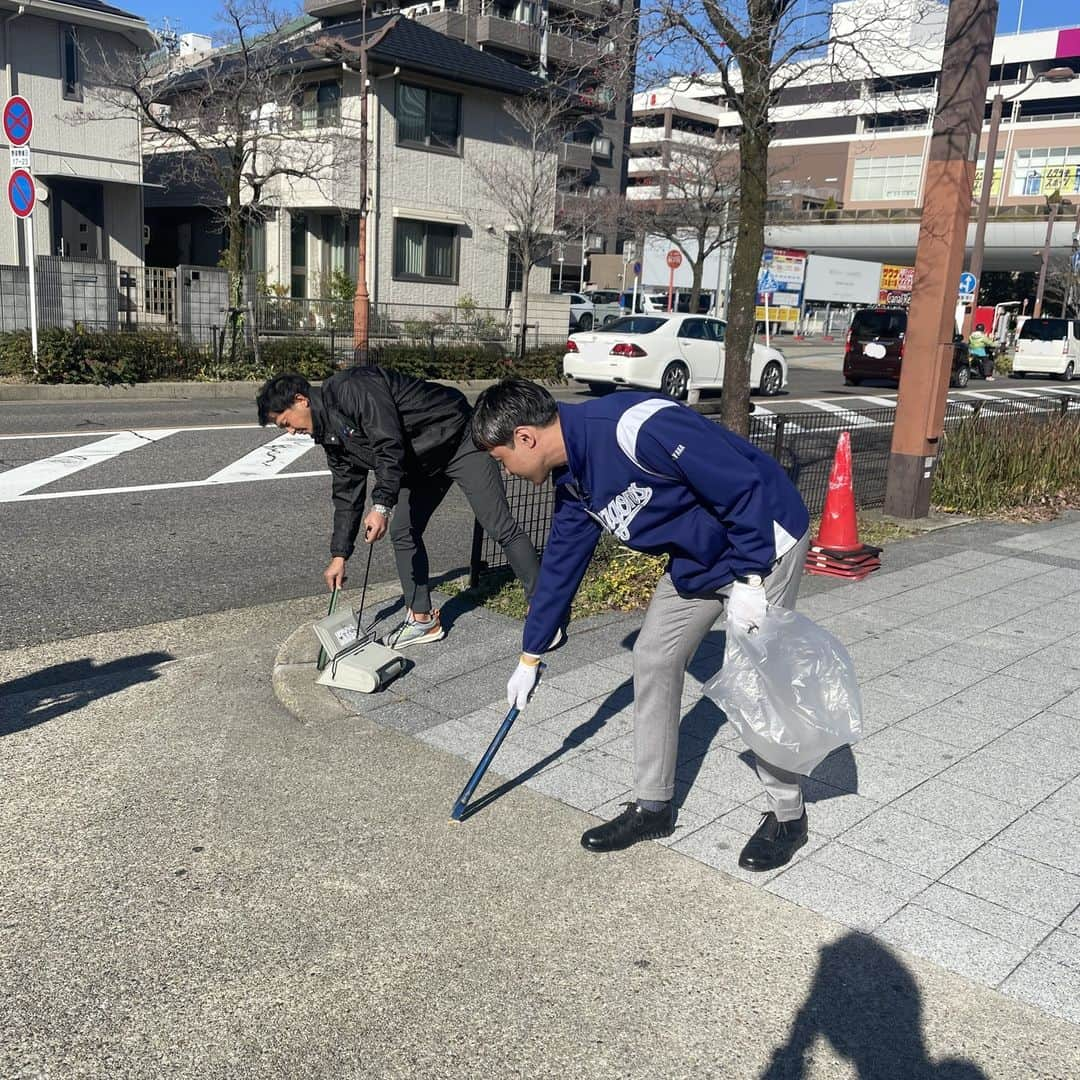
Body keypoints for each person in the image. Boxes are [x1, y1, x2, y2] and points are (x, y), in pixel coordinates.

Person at [471, 378, 812, 869]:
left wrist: (752, 579)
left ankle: (788, 814)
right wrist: (531, 654)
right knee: (653, 655)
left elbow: (743, 486)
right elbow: (564, 561)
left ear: (524, 438)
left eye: (501, 460)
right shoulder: (573, 476)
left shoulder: (635, 427)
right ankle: (653, 806)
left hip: (765, 544)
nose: (506, 471)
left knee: (756, 683)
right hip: (698, 558)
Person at [257, 367, 540, 647]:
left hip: (458, 438)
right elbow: (347, 495)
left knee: (499, 525)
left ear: (301, 400)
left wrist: (381, 507)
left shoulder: (352, 387)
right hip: (419, 464)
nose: (291, 432)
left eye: (285, 423)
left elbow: (387, 443)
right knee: (403, 531)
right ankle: (422, 620)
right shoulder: (330, 438)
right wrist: (339, 555)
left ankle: (542, 608)